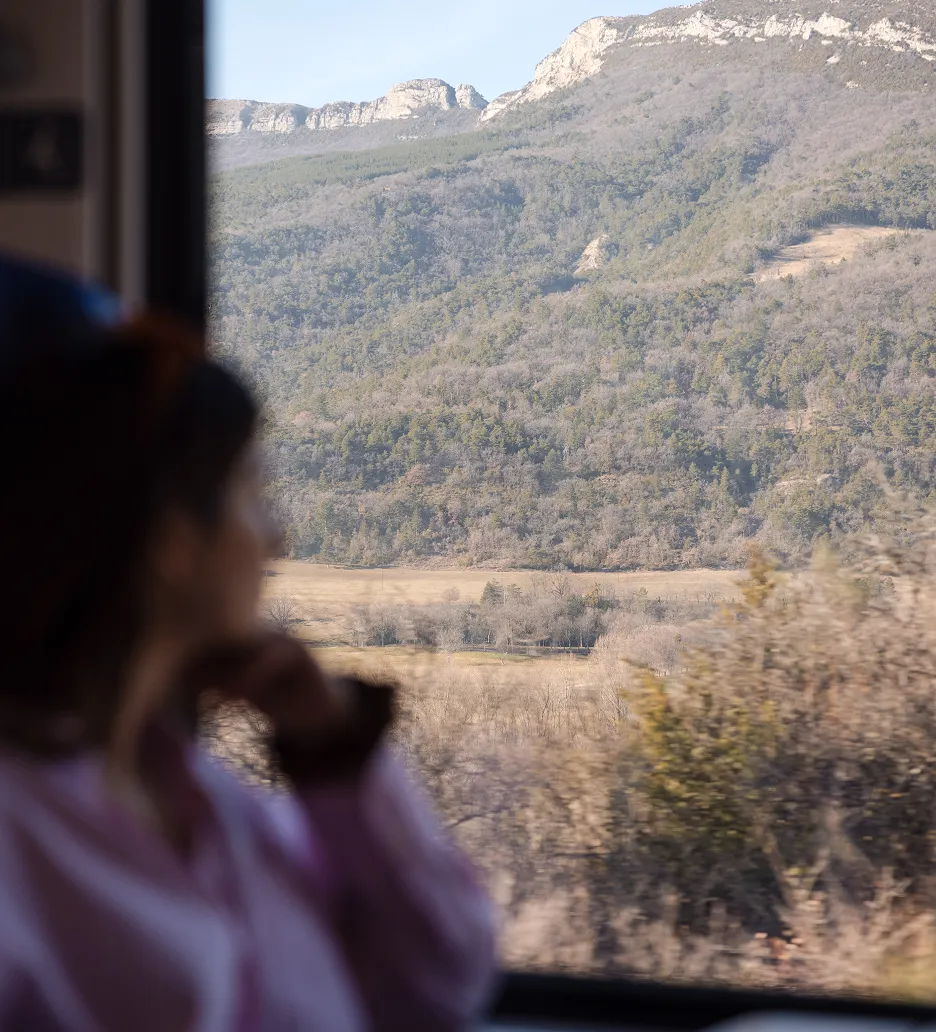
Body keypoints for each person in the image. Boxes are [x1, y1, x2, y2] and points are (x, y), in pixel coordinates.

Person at [0, 257, 496, 1030]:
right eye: (250, 493)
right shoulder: (22, 847)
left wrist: (331, 745)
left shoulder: (199, 796)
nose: (277, 539)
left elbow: (437, 986)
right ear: (170, 539)